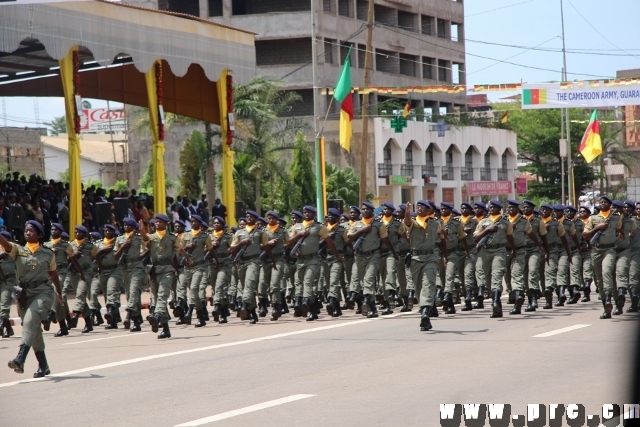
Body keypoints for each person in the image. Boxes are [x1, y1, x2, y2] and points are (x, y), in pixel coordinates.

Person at [2, 220, 63, 377]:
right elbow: (5, 244)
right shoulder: (17, 250)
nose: (27, 232)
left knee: (29, 321)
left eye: (31, 230)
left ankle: (20, 359)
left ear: (40, 235)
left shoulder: (48, 253)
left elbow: (53, 275)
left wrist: (60, 293)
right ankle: (44, 365)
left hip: (43, 292)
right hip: (24, 294)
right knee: (34, 331)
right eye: (26, 230)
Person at [288, 206, 342, 321]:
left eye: (309, 212)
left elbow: (329, 242)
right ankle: (313, 310)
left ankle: (306, 301)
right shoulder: (296, 227)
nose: (306, 214)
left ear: (314, 214)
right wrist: (299, 235)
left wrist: (337, 256)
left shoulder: (319, 227)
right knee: (300, 283)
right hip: (300, 260)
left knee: (308, 281)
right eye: (305, 212)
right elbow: (289, 242)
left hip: (313, 259)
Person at [142, 214, 191, 338]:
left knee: (162, 295)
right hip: (154, 269)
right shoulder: (151, 237)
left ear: (166, 224)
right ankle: (166, 329)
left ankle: (157, 316)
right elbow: (144, 239)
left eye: (159, 222)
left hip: (167, 269)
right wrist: (141, 229)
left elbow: (180, 250)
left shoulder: (172, 238)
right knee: (157, 298)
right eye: (156, 222)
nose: (157, 224)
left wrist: (187, 259)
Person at [402, 201, 446, 331]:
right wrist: (407, 212)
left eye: (423, 207)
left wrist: (445, 255)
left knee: (428, 283)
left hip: (430, 258)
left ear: (429, 211)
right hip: (415, 258)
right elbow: (407, 221)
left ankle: (425, 313)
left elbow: (442, 236)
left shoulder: (435, 223)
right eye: (418, 207)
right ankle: (426, 308)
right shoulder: (413, 223)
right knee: (418, 287)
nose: (420, 209)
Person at [473, 200, 515, 318]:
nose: (491, 209)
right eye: (490, 207)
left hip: (499, 251)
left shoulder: (505, 222)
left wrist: (513, 250)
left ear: (499, 209)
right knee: (487, 278)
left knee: (497, 275)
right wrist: (487, 230)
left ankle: (495, 301)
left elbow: (510, 237)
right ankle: (497, 305)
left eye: (494, 207)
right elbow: (475, 238)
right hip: (485, 252)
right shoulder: (483, 222)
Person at [582, 196, 622, 319]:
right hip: (596, 251)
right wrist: (598, 227)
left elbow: (619, 229)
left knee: (607, 272)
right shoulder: (593, 218)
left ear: (610, 205)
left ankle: (610, 298)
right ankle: (606, 307)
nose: (603, 203)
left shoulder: (615, 218)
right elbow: (585, 235)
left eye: (605, 202)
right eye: (601, 202)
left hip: (610, 249)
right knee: (599, 279)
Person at [230, 210, 273, 324]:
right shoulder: (239, 233)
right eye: (247, 216)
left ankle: (244, 305)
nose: (248, 218)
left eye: (251, 217)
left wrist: (272, 260)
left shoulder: (260, 233)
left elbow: (266, 247)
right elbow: (232, 249)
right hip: (242, 263)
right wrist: (241, 243)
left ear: (255, 219)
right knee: (246, 288)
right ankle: (253, 312)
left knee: (249, 284)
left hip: (254, 261)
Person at [113, 218, 148, 332]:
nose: (125, 227)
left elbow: (149, 244)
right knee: (130, 295)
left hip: (136, 267)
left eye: (128, 225)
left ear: (133, 227)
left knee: (133, 291)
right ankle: (137, 321)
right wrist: (123, 247)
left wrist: (140, 258)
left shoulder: (138, 238)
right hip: (125, 269)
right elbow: (115, 256)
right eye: (124, 225)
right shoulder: (119, 239)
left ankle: (128, 316)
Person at [183, 214, 214, 327]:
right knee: (193, 292)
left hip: (199, 267)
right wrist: (188, 248)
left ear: (200, 224)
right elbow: (180, 249)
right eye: (192, 221)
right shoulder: (186, 235)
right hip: (188, 268)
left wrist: (216, 261)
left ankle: (190, 312)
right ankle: (201, 315)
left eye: (195, 221)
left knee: (194, 288)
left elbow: (210, 249)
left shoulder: (205, 236)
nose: (193, 223)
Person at [209, 216, 232, 324]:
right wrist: (211, 246)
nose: (216, 225)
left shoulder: (227, 237)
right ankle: (224, 311)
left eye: (218, 223)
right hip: (212, 264)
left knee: (219, 285)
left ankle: (217, 306)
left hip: (224, 264)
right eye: (214, 223)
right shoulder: (208, 236)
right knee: (216, 289)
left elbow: (233, 248)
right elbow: (202, 251)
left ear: (222, 225)